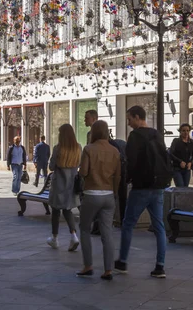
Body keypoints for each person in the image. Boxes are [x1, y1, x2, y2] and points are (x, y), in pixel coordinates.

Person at [115, 105, 168, 279]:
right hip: (158, 186)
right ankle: (160, 266)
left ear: (138, 117)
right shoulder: (156, 134)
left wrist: (127, 178)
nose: (129, 123)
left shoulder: (135, 136)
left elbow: (131, 161)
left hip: (141, 187)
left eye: (130, 119)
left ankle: (122, 261)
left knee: (128, 223)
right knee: (159, 225)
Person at [77, 120, 121, 280]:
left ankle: (88, 266)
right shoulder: (115, 151)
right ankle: (108, 269)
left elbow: (83, 172)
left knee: (84, 228)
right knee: (107, 233)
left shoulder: (89, 149)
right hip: (108, 194)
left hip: (91, 193)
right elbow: (118, 175)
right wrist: (114, 193)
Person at [47, 124, 81, 251]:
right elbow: (80, 163)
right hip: (71, 184)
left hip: (59, 183)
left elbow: (51, 166)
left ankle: (55, 238)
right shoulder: (78, 148)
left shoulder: (58, 148)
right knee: (67, 210)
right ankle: (74, 236)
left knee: (55, 211)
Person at [168, 123, 193, 187]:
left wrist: (191, 162)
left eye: (187, 131)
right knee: (180, 186)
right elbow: (170, 153)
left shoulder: (192, 142)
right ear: (180, 131)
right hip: (177, 168)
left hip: (187, 169)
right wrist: (180, 161)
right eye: (183, 131)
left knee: (185, 187)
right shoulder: (176, 141)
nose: (186, 132)